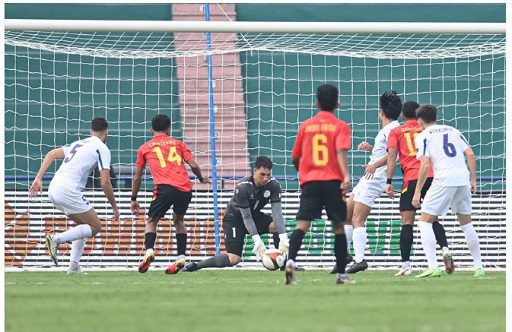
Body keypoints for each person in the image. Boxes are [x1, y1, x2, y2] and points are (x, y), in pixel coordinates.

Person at [29, 117, 120, 274]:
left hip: (54, 188)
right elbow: (105, 183)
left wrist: (38, 179)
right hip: (68, 190)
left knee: (83, 227)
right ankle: (55, 240)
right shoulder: (102, 148)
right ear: (106, 133)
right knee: (95, 226)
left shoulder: (78, 143)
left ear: (91, 131)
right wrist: (114, 207)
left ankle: (73, 267)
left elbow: (51, 154)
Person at [284, 83, 353, 285]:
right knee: (338, 226)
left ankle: (290, 261)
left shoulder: (306, 126)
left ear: (317, 103)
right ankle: (341, 275)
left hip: (310, 181)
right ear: (337, 104)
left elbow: (295, 156)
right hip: (332, 181)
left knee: (302, 224)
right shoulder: (340, 126)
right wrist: (346, 176)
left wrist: (303, 172)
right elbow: (340, 151)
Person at [412, 104, 484, 278]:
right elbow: (471, 154)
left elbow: (425, 164)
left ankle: (433, 266)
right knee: (466, 223)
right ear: (436, 117)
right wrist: (472, 179)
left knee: (424, 222)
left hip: (444, 179)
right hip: (462, 178)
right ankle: (479, 268)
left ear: (420, 121)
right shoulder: (453, 130)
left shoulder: (423, 136)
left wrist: (417, 191)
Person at [131, 114, 209, 274]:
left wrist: (133, 198)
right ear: (169, 128)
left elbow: (138, 176)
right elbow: (193, 164)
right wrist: (201, 178)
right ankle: (181, 256)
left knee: (152, 220)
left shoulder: (144, 148)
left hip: (164, 188)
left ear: (151, 129)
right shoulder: (179, 144)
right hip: (185, 189)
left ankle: (149, 251)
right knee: (179, 220)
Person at [182, 156, 289, 272]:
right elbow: (246, 217)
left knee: (276, 226)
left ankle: (285, 266)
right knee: (234, 259)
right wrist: (257, 240)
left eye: (268, 174)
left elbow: (277, 213)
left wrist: (283, 238)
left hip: (254, 216)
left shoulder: (274, 185)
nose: (265, 178)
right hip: (235, 219)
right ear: (254, 171)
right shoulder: (242, 187)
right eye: (262, 174)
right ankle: (196, 265)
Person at [385, 101, 453, 276]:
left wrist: (389, 181)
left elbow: (391, 156)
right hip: (432, 176)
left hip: (413, 178)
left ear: (402, 115)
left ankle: (406, 265)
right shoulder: (427, 129)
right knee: (433, 219)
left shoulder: (396, 131)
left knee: (407, 222)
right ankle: (445, 249)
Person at [342, 91, 401, 274]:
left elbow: (394, 155)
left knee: (357, 219)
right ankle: (344, 254)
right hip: (369, 176)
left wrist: (375, 163)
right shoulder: (388, 129)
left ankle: (360, 260)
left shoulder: (392, 129)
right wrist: (371, 149)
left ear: (381, 111)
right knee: (348, 211)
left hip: (376, 178)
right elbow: (386, 152)